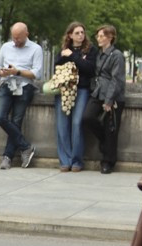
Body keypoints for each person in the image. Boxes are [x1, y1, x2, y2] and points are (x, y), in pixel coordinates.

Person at [0, 22, 43, 169]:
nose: (16, 41)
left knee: (16, 120)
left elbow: (36, 73)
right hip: (7, 83)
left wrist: (18, 72)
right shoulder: (6, 47)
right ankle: (25, 146)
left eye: (19, 38)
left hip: (24, 85)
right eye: (14, 38)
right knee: (0, 117)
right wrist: (1, 72)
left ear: (26, 35)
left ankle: (7, 157)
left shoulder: (36, 49)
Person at [53, 21, 97, 172]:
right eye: (77, 33)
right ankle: (65, 160)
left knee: (77, 123)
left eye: (82, 33)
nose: (80, 35)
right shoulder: (64, 49)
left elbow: (90, 69)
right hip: (64, 90)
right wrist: (71, 56)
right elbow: (57, 65)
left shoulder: (90, 50)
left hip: (82, 90)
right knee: (62, 124)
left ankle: (77, 160)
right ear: (70, 35)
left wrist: (73, 56)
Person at [84, 24, 126, 174]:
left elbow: (117, 80)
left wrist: (109, 100)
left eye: (102, 36)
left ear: (110, 37)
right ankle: (104, 143)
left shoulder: (117, 55)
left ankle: (108, 161)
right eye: (98, 36)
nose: (98, 39)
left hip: (112, 96)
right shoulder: (99, 54)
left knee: (111, 129)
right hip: (98, 92)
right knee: (87, 117)